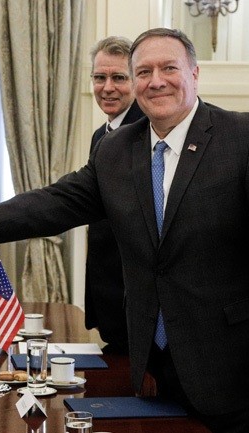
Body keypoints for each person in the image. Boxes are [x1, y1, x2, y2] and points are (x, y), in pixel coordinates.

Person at [0, 28, 249, 433]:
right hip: (154, 364)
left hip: (239, 367)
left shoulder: (248, 138)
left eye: (169, 68)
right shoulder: (115, 149)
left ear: (195, 74)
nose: (156, 81)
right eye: (143, 72)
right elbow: (55, 202)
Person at [85, 36, 145, 355]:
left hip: (134, 294)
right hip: (107, 288)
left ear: (135, 81)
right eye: (99, 78)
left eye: (118, 78)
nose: (107, 88)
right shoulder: (101, 135)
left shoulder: (149, 130)